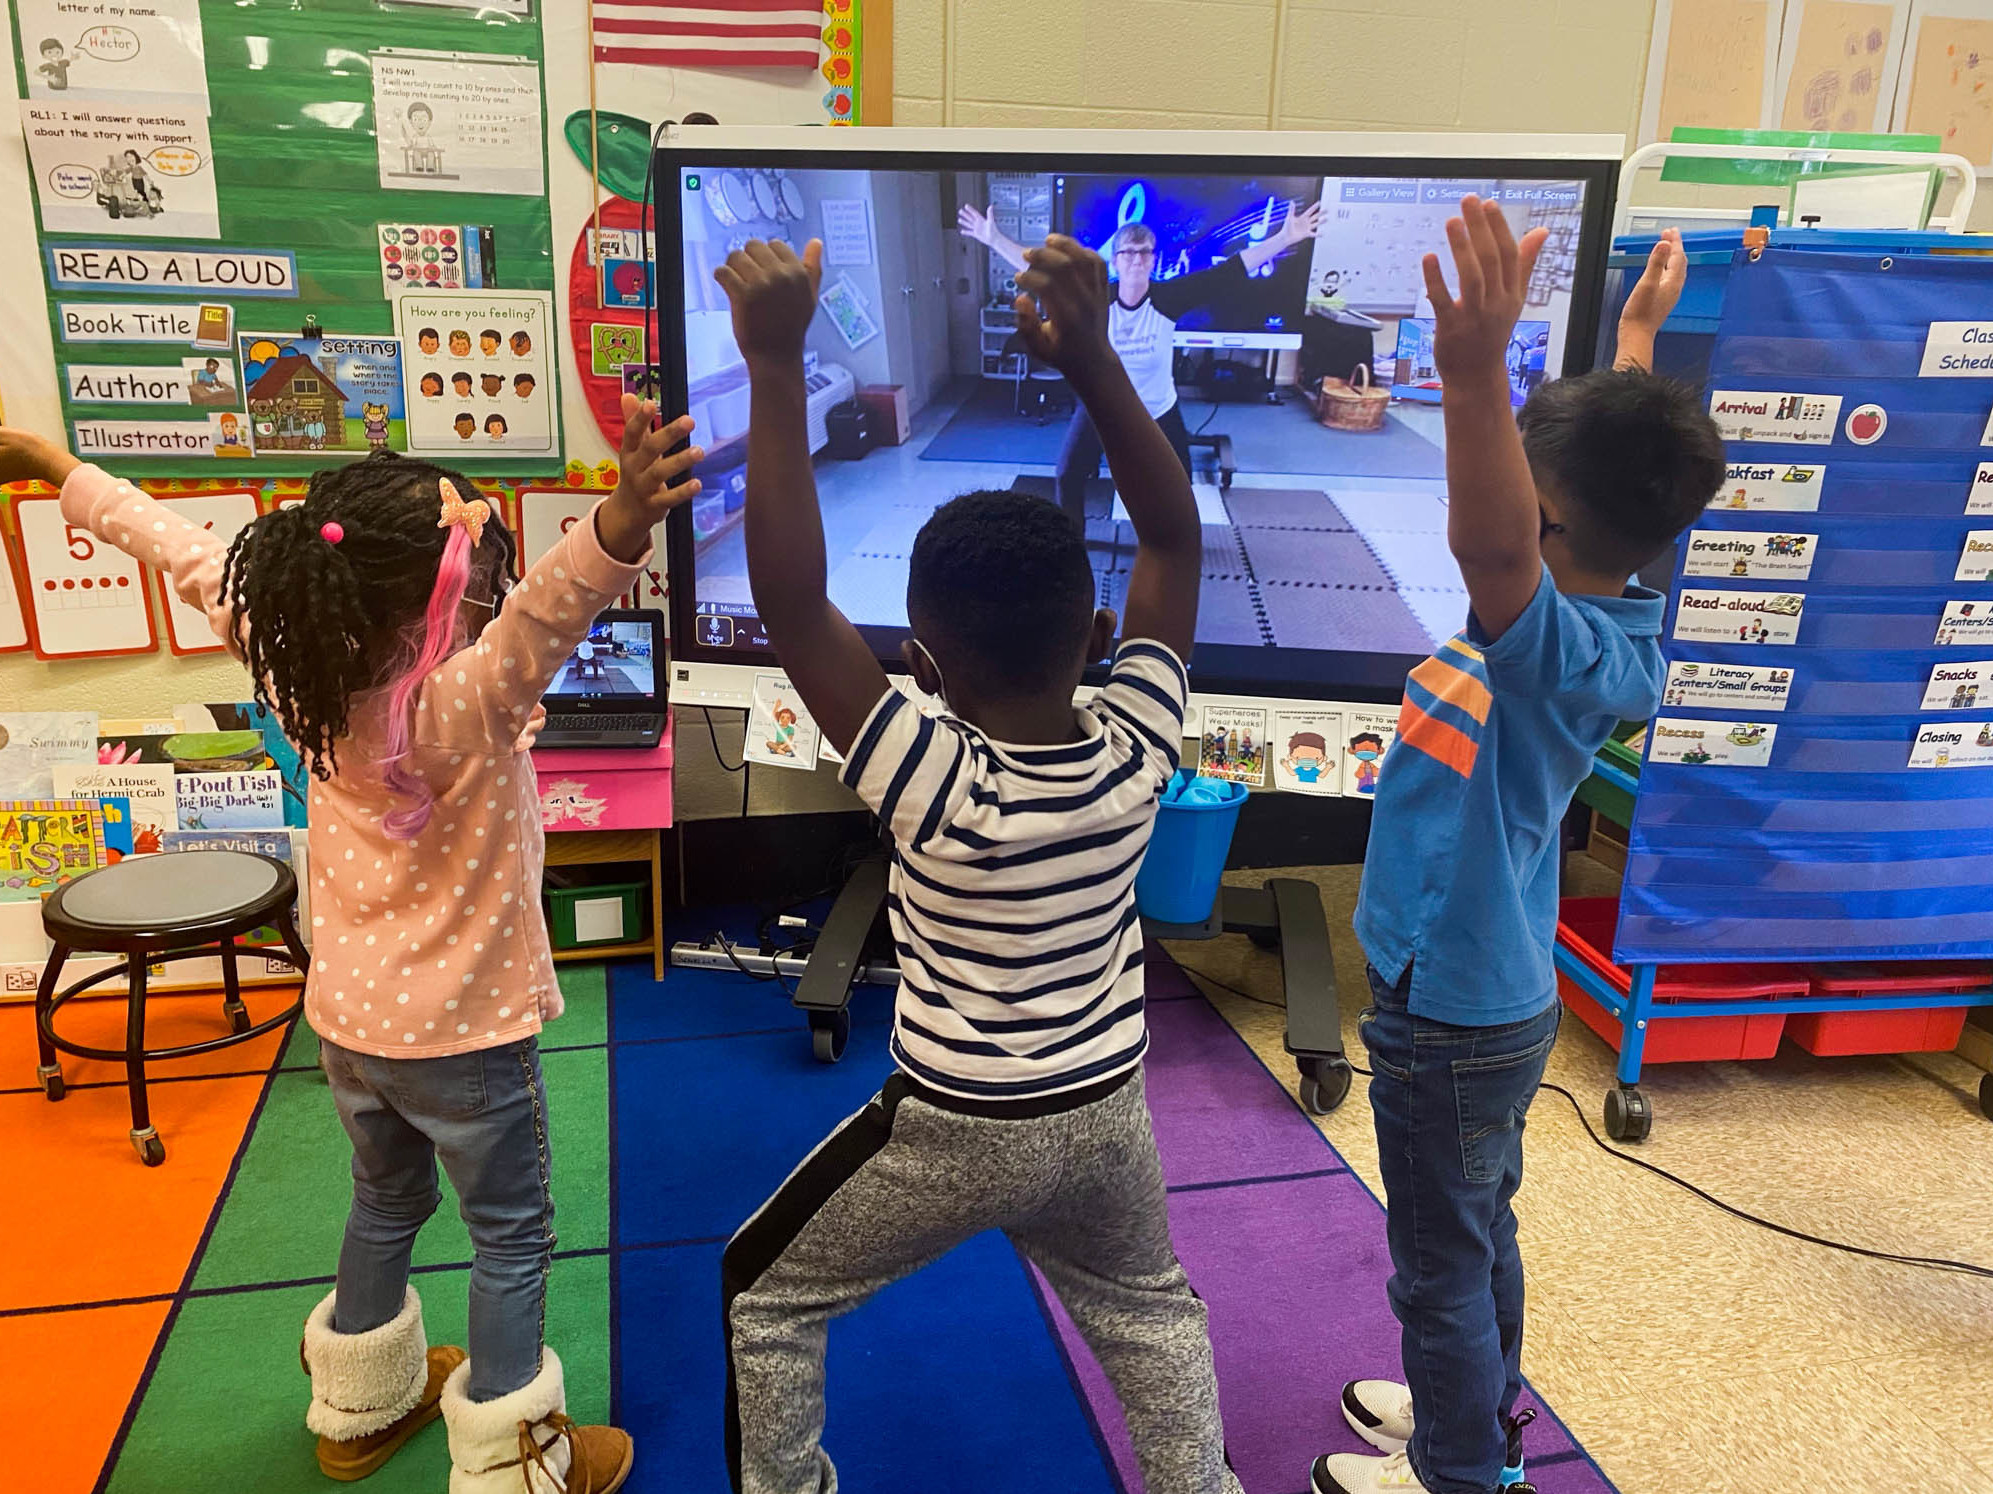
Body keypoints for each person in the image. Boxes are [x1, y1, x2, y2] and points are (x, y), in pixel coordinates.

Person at [0, 397, 702, 1494]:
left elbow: (178, 550)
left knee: (385, 1201)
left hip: (353, 1031)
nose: (473, 513)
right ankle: (518, 1464)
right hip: (469, 1039)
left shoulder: (293, 663)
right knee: (511, 1236)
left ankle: (360, 1403)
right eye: (458, 522)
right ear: (440, 588)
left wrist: (53, 462)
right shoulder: (465, 699)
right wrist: (618, 515)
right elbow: (559, 607)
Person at [713, 233, 1238, 1494]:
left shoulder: (930, 773)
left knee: (761, 1294)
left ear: (925, 667)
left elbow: (790, 604)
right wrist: (1102, 365)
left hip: (958, 1122)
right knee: (1150, 1307)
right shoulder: (1134, 743)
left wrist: (775, 362)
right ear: (1100, 635)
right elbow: (1172, 539)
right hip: (1111, 1107)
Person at [1309, 212, 1720, 1494]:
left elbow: (1490, 542)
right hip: (1499, 999)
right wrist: (1638, 335)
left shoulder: (1543, 643)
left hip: (1448, 1011)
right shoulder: (1621, 607)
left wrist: (1476, 369)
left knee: (1436, 1264)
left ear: (1539, 518)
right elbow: (1598, 483)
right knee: (1480, 1228)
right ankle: (1471, 1418)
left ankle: (1454, 1472)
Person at [960, 197, 1321, 526]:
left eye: (1145, 253)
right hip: (1101, 408)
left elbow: (1229, 272)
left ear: (1154, 259)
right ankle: (1074, 547)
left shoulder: (1169, 298)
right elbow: (1044, 274)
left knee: (1181, 483)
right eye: (1129, 252)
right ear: (1115, 260)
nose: (1136, 259)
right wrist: (993, 238)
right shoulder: (1098, 297)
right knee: (1068, 475)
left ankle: (1171, 545)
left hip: (1158, 409)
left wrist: (1285, 238)